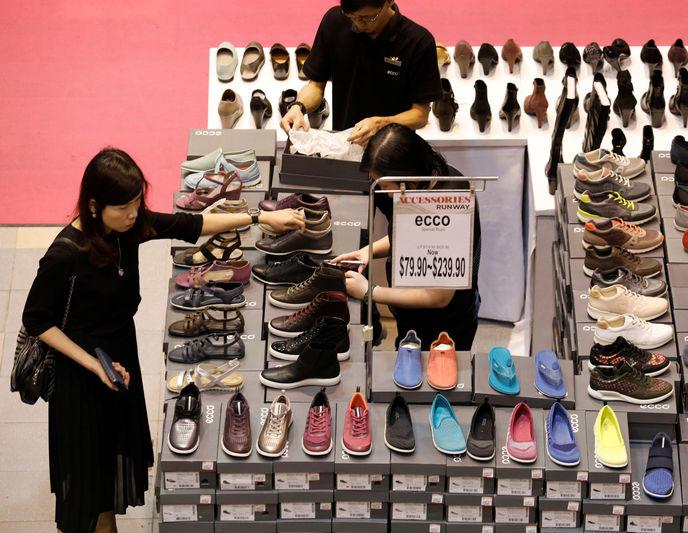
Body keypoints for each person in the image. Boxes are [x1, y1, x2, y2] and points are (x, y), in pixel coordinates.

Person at [21, 148, 304, 533]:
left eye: (137, 203)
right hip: (81, 375)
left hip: (120, 357)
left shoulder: (127, 228)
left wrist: (260, 216)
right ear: (93, 205)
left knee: (108, 474)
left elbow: (189, 224)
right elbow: (37, 320)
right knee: (84, 484)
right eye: (123, 207)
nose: (134, 214)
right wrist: (93, 364)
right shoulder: (65, 254)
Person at [331, 124, 481, 349]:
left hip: (442, 329)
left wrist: (370, 292)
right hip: (416, 317)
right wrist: (367, 252)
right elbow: (415, 240)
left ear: (408, 177)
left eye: (388, 186)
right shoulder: (431, 182)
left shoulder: (449, 207)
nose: (388, 195)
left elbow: (439, 297)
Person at [280, 0, 441, 146]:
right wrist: (298, 107)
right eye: (351, 16)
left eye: (366, 18)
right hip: (345, 143)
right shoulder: (334, 21)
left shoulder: (419, 41)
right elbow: (316, 85)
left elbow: (420, 114)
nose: (358, 23)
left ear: (389, 2)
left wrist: (381, 123)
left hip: (393, 151)